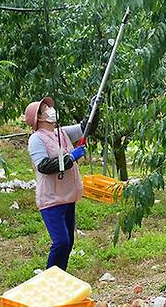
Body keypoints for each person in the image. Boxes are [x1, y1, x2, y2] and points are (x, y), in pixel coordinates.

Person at [24, 96, 100, 271]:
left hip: (67, 196)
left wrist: (94, 107)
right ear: (39, 118)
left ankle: (60, 276)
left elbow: (85, 127)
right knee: (61, 241)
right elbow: (43, 166)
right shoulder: (36, 139)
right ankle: (51, 279)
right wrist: (70, 158)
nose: (51, 111)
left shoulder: (62, 133)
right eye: (45, 109)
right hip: (51, 199)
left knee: (69, 242)